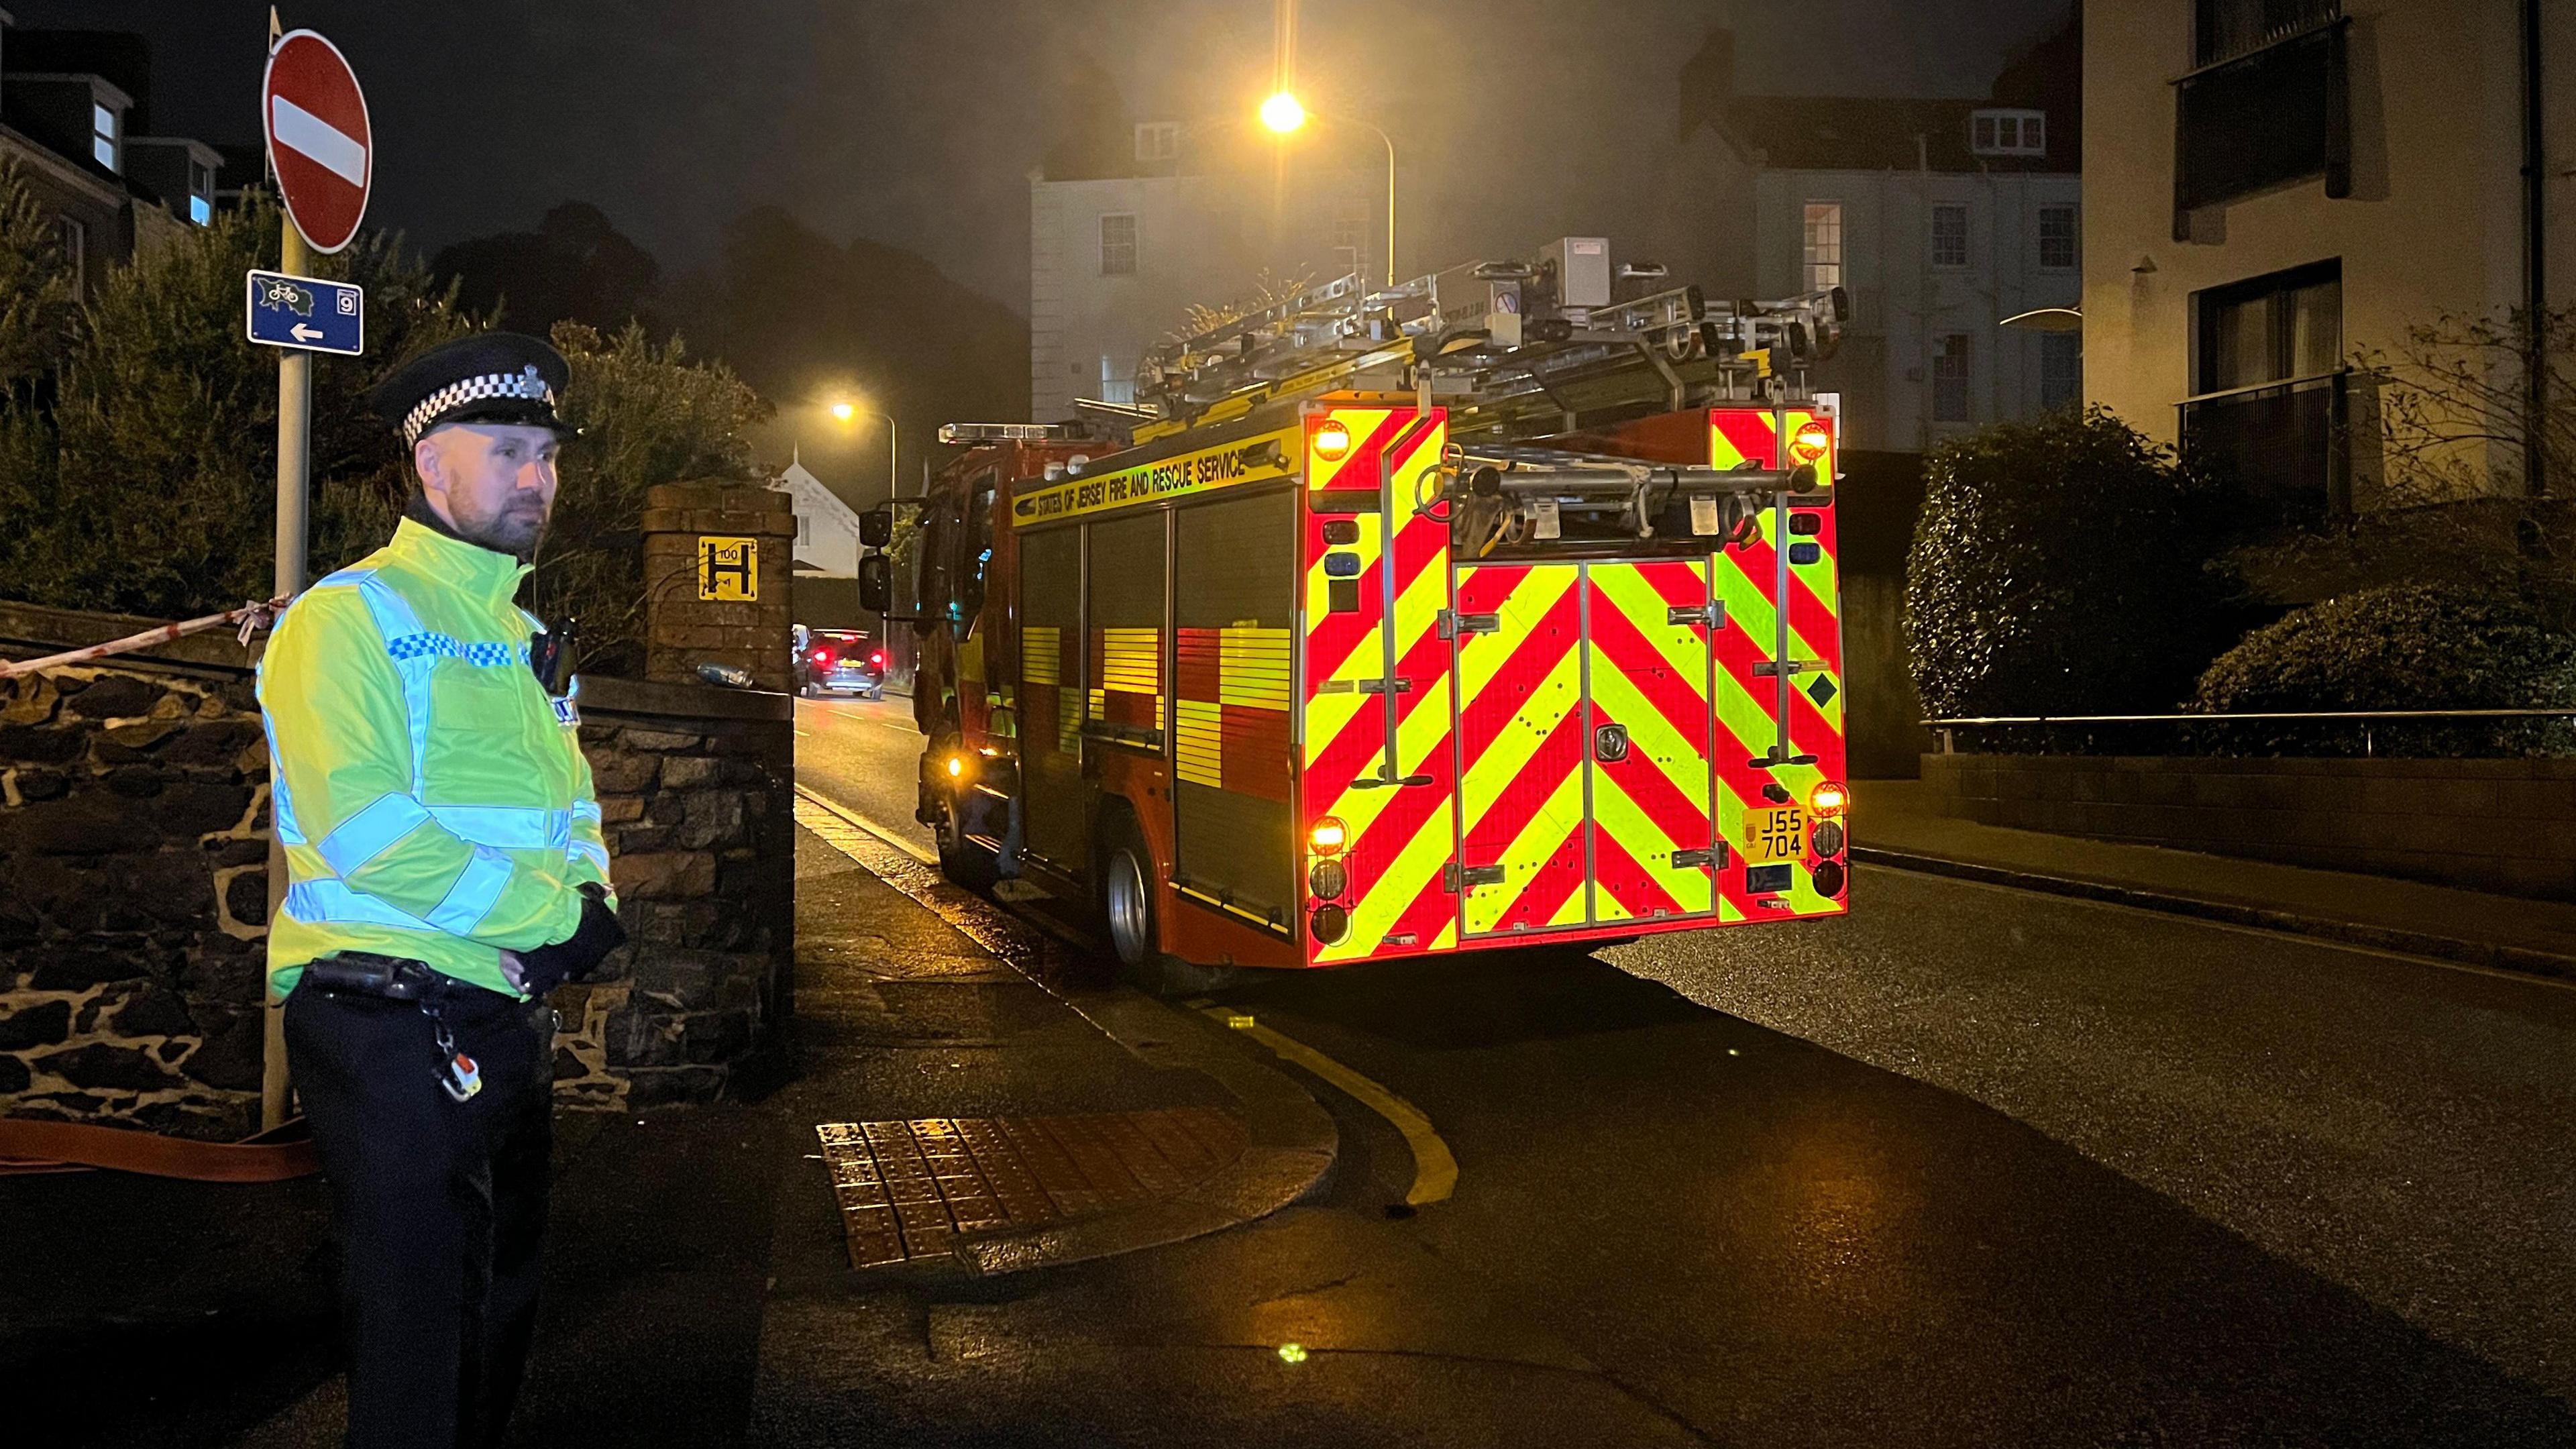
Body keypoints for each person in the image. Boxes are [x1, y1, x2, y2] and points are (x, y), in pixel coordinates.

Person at [260, 331, 627, 1448]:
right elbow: (369, 833)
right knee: (422, 1334)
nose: (537, 478)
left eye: (548, 455)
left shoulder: (520, 634)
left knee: (496, 1315)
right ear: (430, 468)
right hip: (382, 1018)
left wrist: (590, 905)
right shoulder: (344, 620)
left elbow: (572, 806)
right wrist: (555, 920)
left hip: (500, 1018)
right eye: (508, 449)